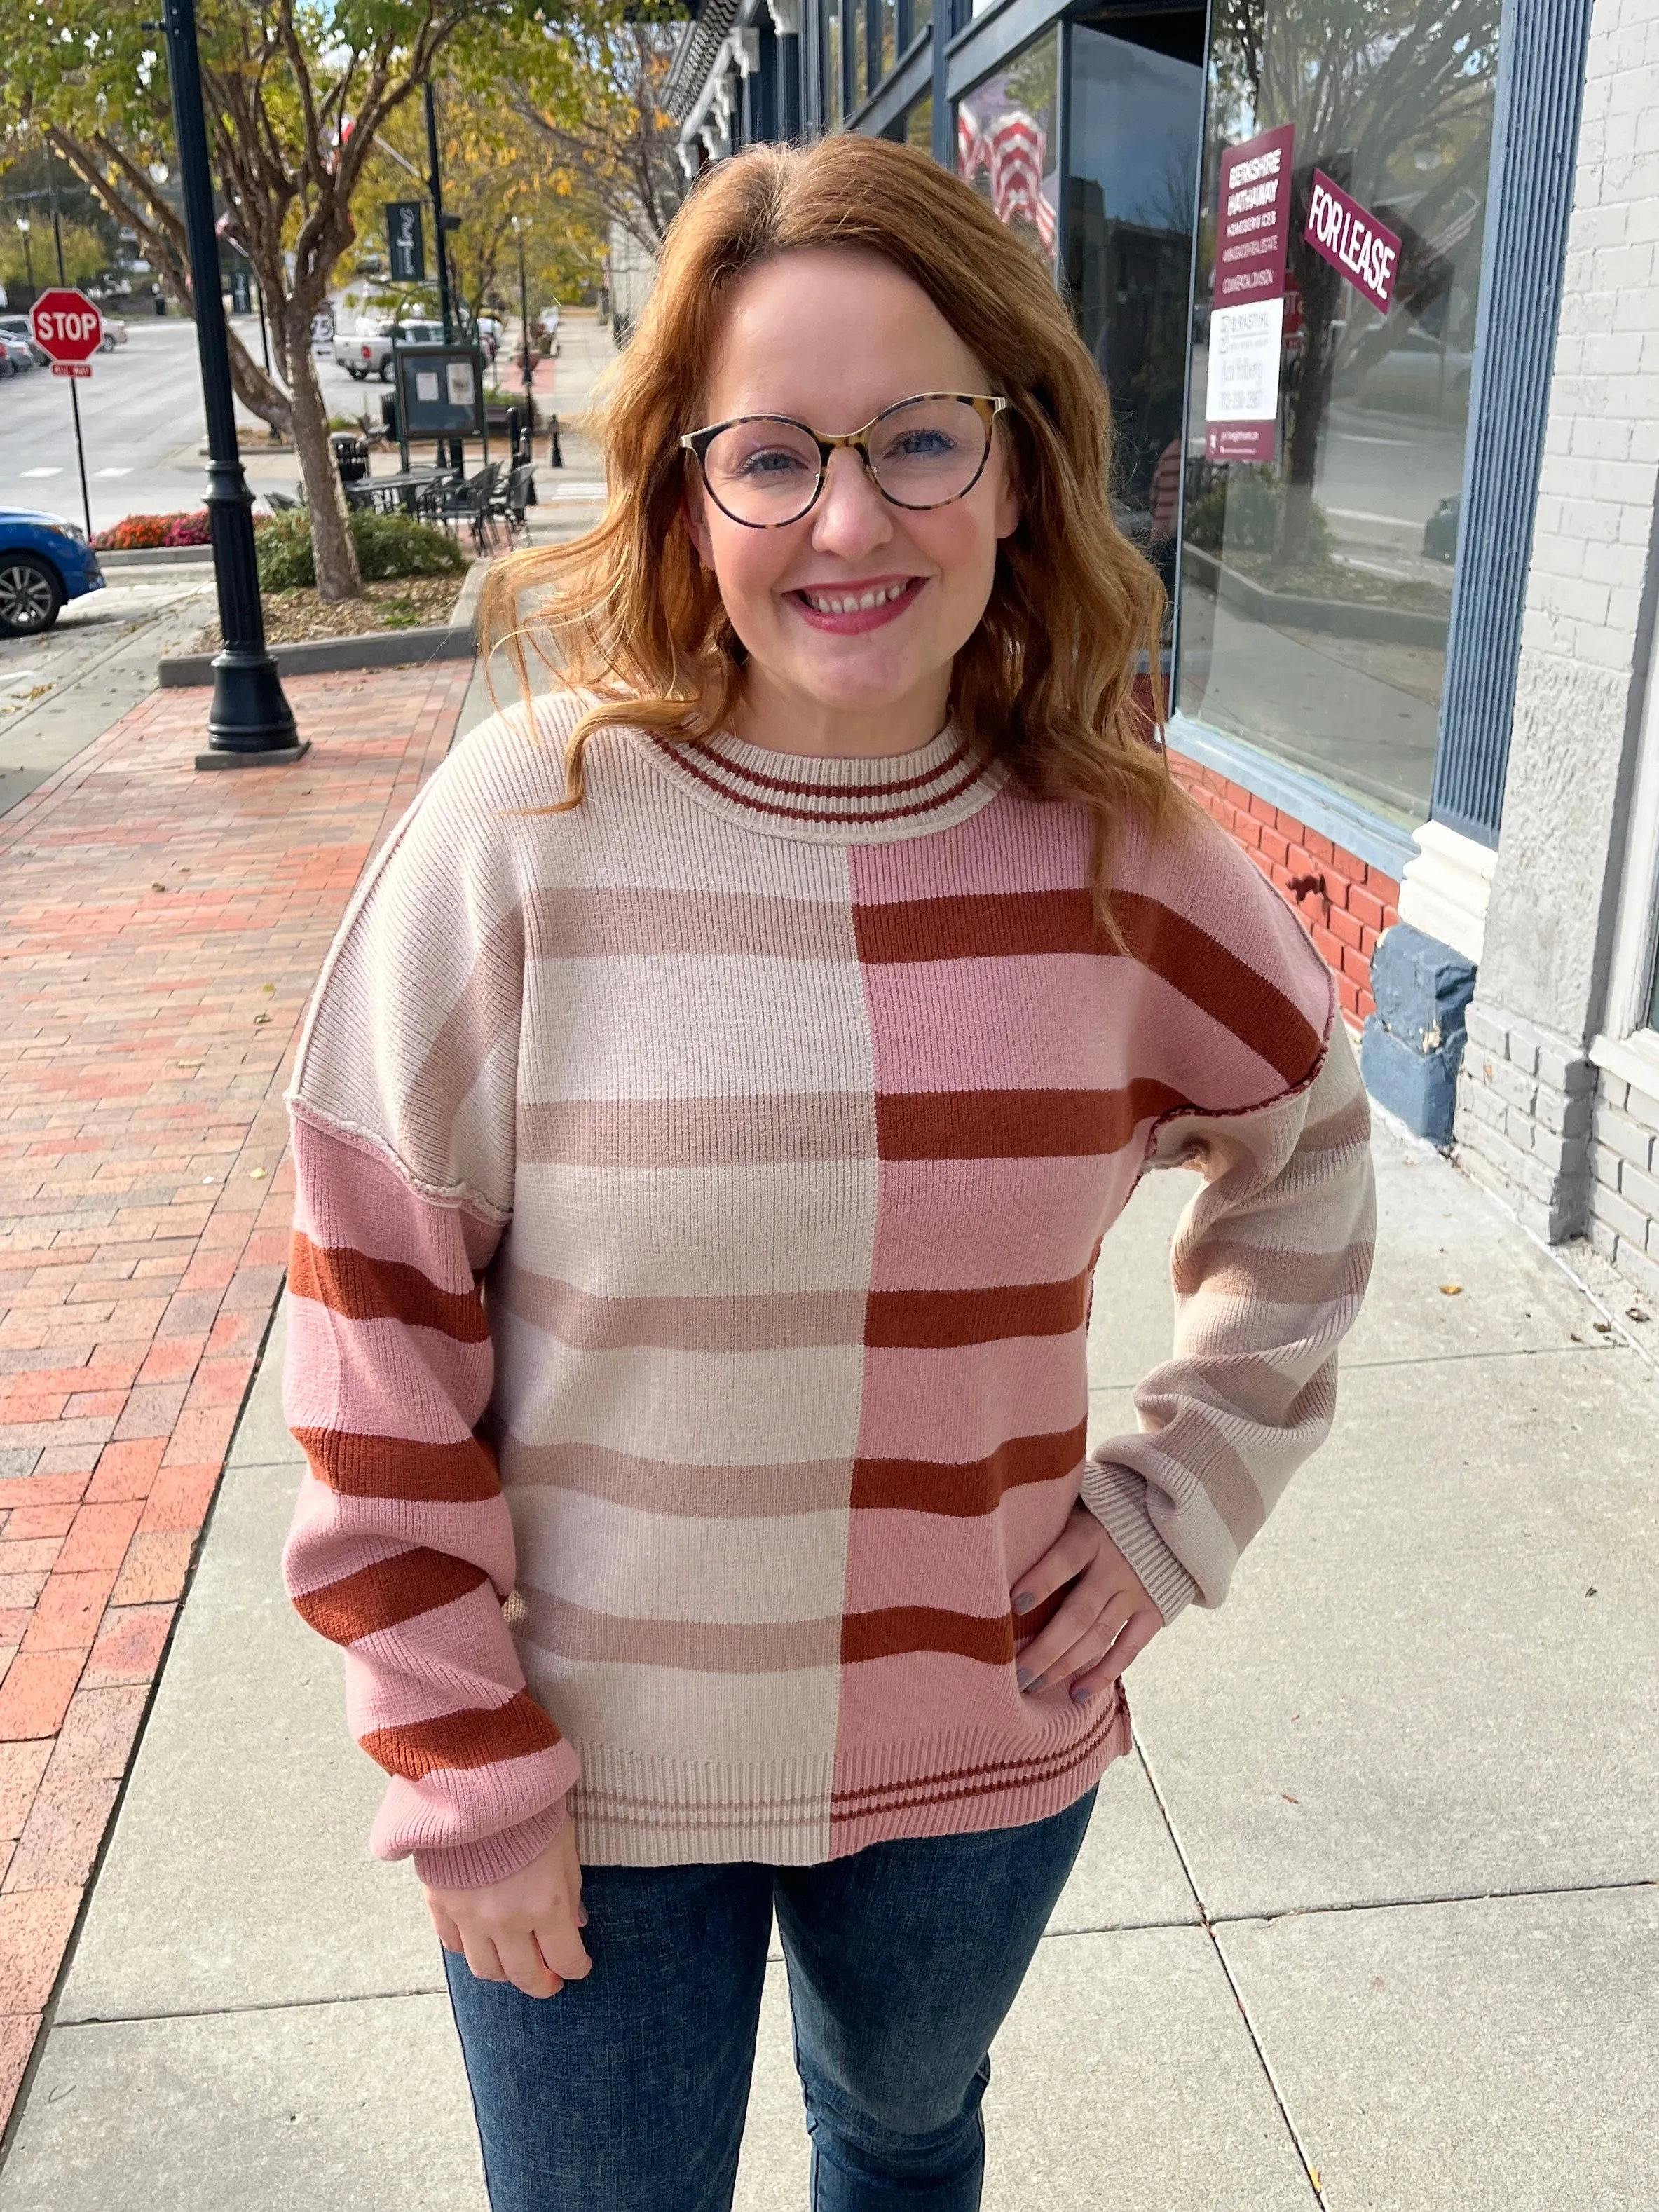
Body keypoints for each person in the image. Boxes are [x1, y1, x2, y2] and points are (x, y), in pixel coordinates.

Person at [281, 134, 1374, 2212]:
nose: (848, 520)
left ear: (1023, 461)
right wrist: (450, 1744)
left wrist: (1176, 1501)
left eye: (917, 439)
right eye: (770, 453)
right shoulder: (526, 827)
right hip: (576, 1782)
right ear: (688, 490)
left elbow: (1307, 1169)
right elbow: (372, 1306)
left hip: (975, 1748)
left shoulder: (1127, 860)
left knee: (897, 2131)